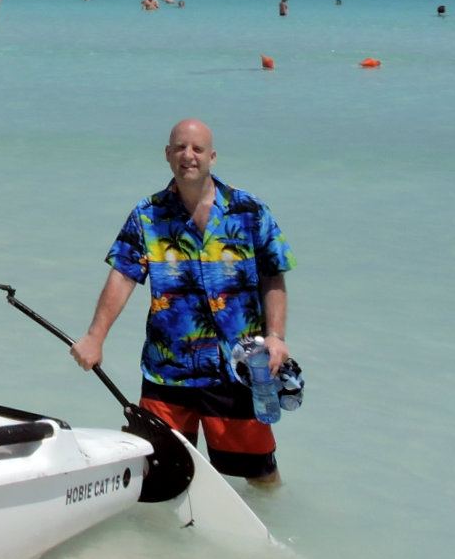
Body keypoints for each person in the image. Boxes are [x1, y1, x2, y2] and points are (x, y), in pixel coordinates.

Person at [69, 119, 294, 486]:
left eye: (197, 149)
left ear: (212, 157)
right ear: (168, 155)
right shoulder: (148, 214)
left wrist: (276, 336)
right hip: (167, 369)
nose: (188, 156)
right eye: (180, 148)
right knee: (157, 475)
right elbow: (123, 275)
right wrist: (95, 337)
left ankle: (278, 533)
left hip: (236, 369)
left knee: (259, 473)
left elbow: (273, 275)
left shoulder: (249, 212)